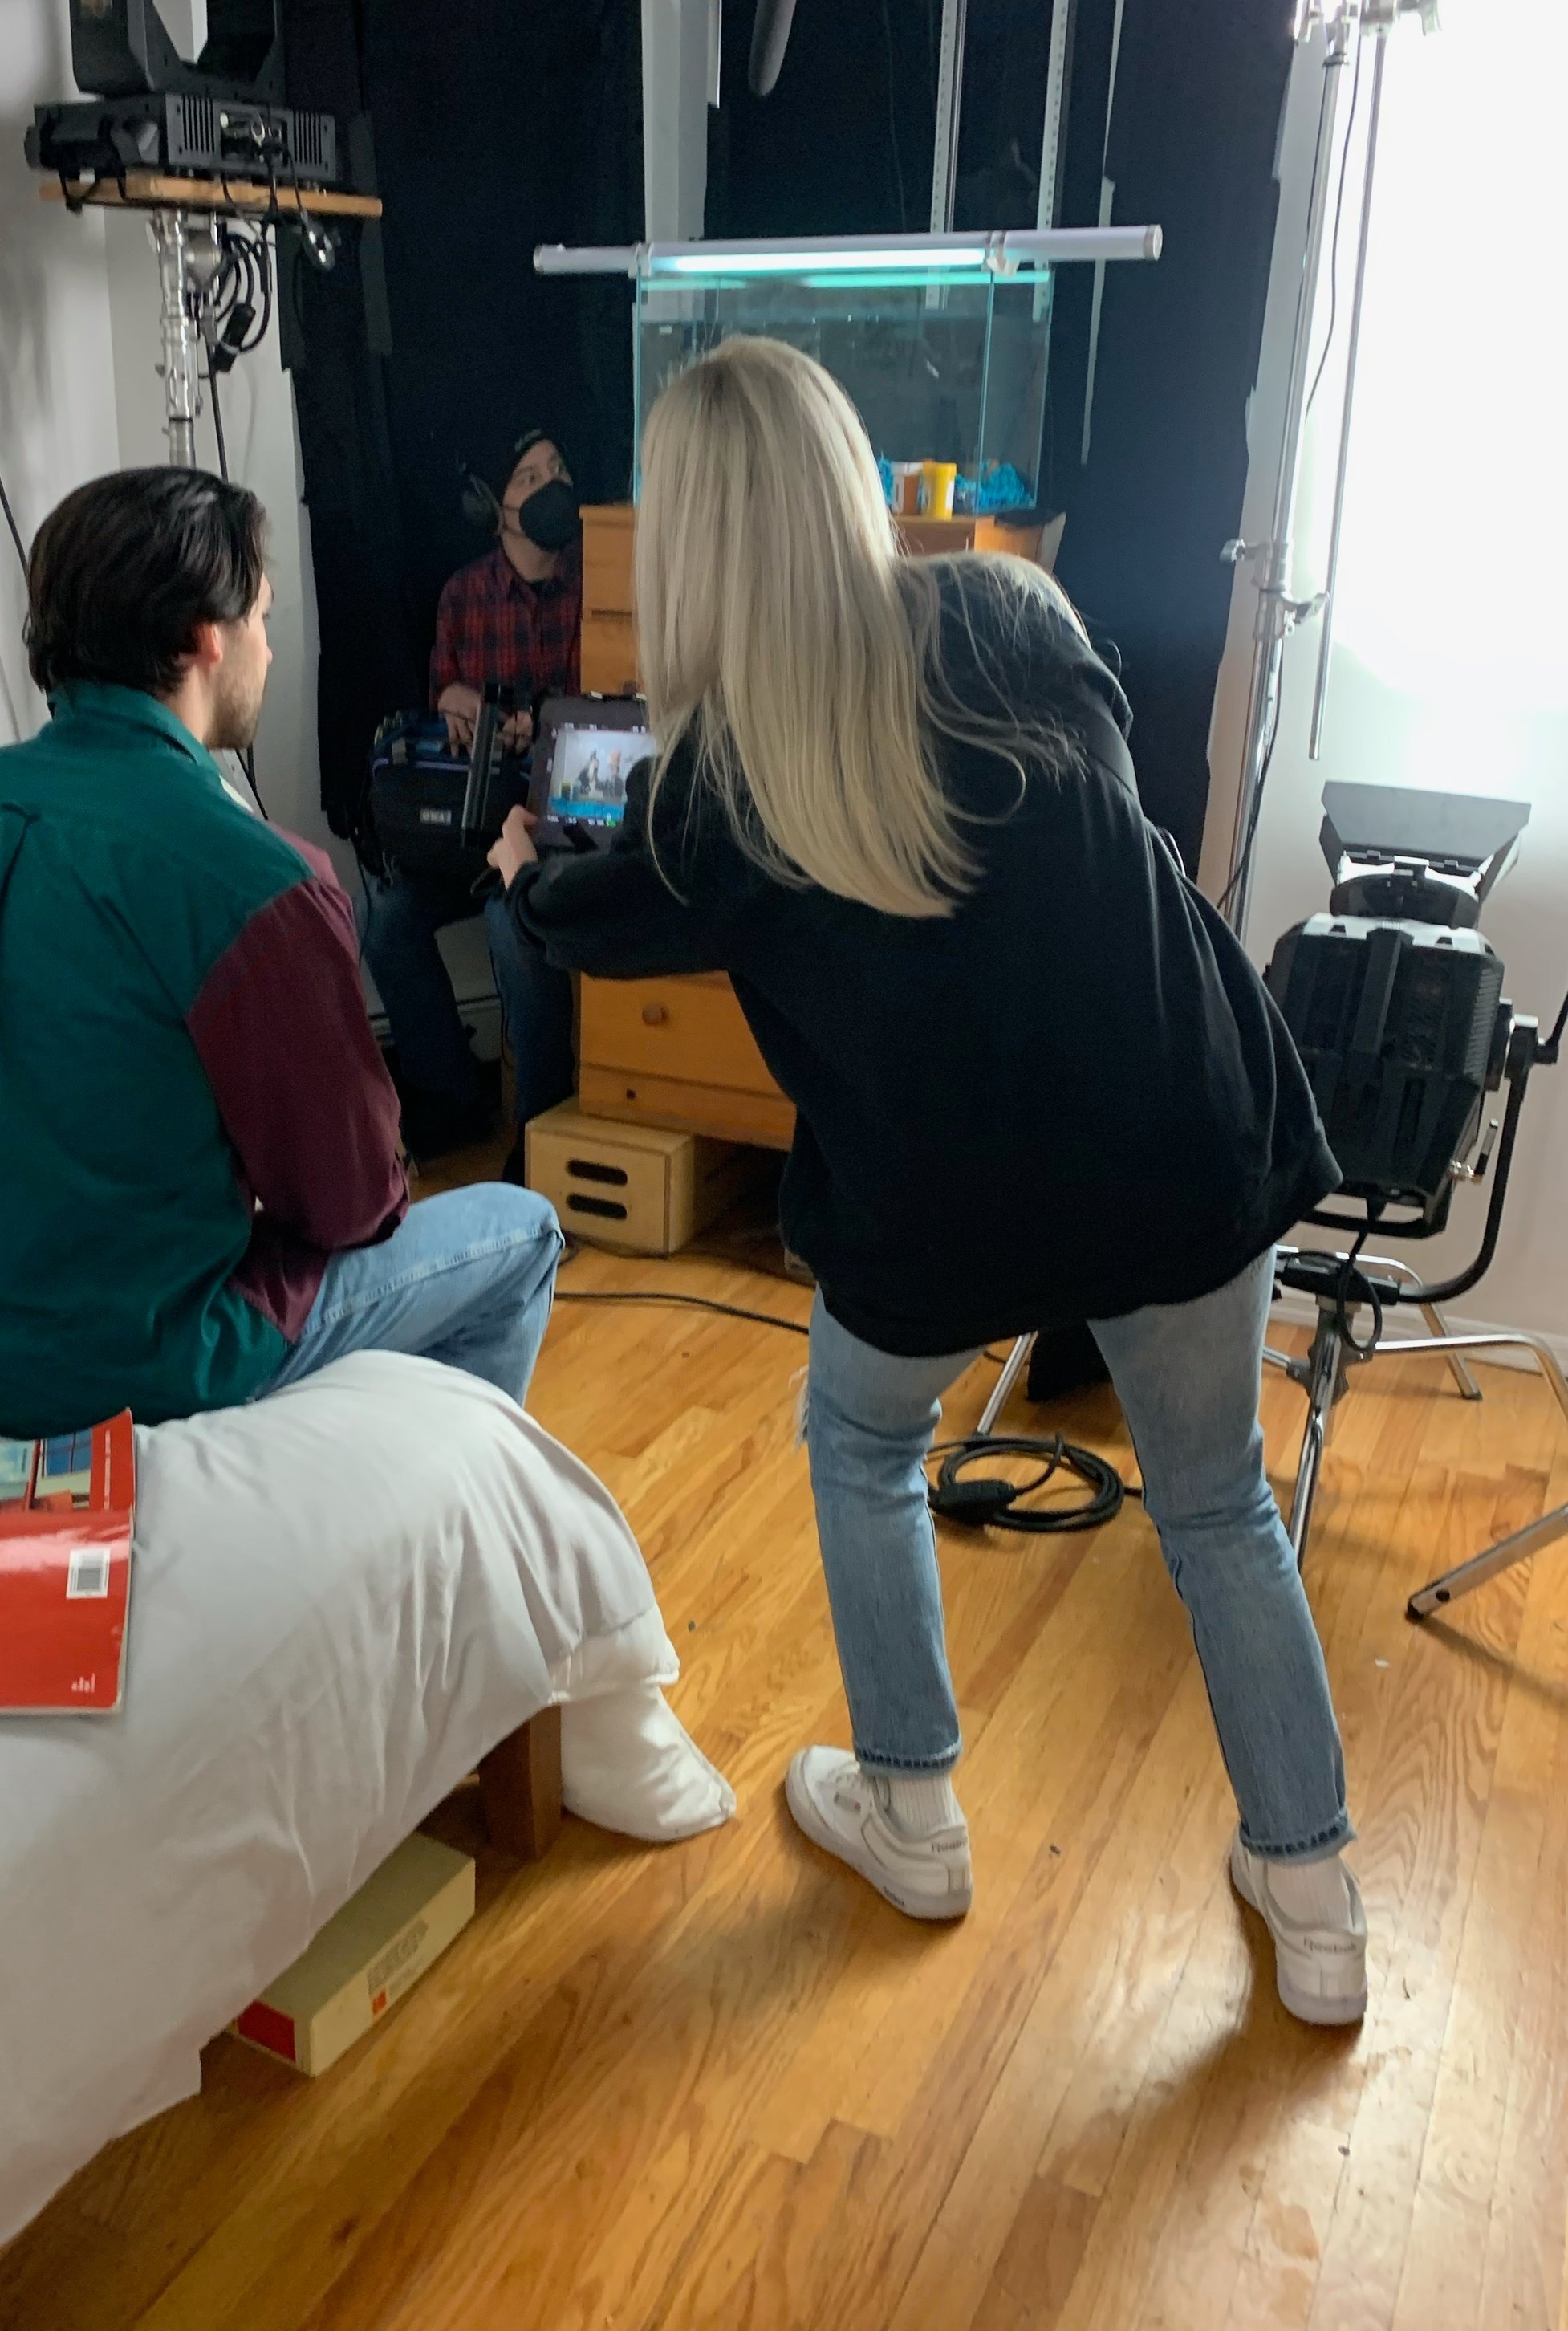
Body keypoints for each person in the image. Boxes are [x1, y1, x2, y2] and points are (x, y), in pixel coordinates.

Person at [490, 338, 1367, 2028]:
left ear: (687, 551)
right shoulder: (1009, 613)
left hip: (946, 1198)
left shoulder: (715, 787)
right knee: (1217, 1508)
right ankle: (1315, 1896)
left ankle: (911, 1809)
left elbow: (578, 922)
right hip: (1180, 1129)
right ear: (845, 478)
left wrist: (527, 863)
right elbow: (1104, 779)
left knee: (861, 1440)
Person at [0, 468, 562, 1439]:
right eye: (262, 618)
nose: (268, 648)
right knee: (524, 1231)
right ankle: (413, 1496)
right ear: (204, 637)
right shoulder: (255, 880)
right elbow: (354, 1206)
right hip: (136, 1361)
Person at [360, 431, 579, 1164]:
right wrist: (460, 707)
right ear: (494, 507)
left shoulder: (599, 587)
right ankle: (451, 1097)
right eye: (529, 478)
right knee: (388, 923)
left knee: (511, 924)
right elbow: (443, 712)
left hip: (554, 835)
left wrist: (540, 720)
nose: (552, 487)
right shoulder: (463, 596)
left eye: (558, 471)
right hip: (469, 831)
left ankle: (540, 1130)